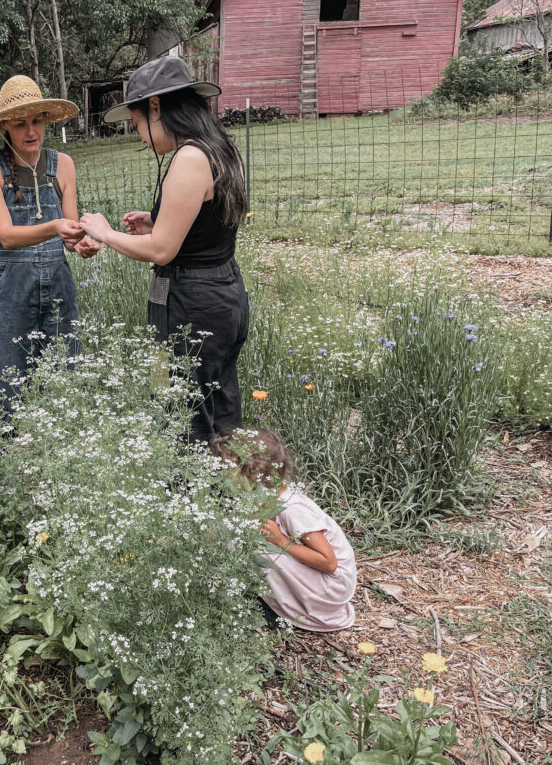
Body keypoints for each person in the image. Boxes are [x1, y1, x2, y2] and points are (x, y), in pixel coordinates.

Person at [79, 56, 249, 443]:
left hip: (190, 300)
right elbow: (209, 226)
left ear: (156, 107)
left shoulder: (188, 158)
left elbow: (161, 251)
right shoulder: (220, 148)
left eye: (137, 122)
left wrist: (105, 233)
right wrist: (157, 220)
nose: (140, 136)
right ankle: (232, 476)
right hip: (226, 294)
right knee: (220, 403)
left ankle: (187, 480)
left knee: (182, 411)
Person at [0, 76, 100, 415]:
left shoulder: (63, 165)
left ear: (46, 120)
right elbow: (7, 235)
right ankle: (9, 444)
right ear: (5, 126)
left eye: (37, 121)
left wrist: (80, 243)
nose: (31, 131)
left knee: (65, 376)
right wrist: (56, 227)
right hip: (10, 290)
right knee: (9, 381)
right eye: (20, 124)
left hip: (58, 284)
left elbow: (69, 234)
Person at [213, 429, 357, 632]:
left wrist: (280, 540)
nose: (223, 472)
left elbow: (329, 563)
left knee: (254, 546)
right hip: (316, 577)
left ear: (252, 472)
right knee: (240, 535)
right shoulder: (261, 500)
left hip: (331, 588)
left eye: (230, 467)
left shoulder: (291, 508)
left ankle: (285, 610)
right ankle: (266, 598)